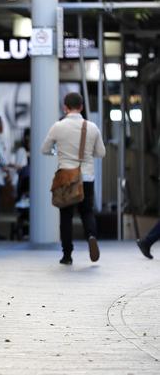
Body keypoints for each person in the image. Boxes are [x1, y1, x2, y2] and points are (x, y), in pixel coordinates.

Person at [42, 92, 106, 265]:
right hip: (86, 177)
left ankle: (67, 255)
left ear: (65, 107)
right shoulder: (91, 127)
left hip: (66, 176)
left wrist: (58, 151)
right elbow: (101, 152)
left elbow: (44, 149)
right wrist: (86, 153)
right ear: (82, 107)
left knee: (66, 216)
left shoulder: (58, 126)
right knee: (87, 211)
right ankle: (91, 236)